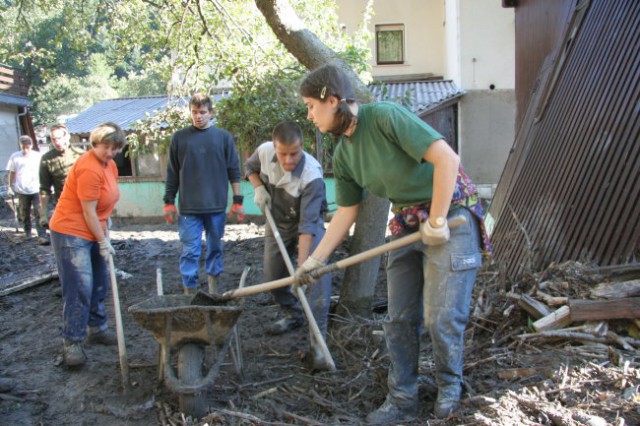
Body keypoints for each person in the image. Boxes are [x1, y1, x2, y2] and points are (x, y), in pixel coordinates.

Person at [295, 64, 491, 422]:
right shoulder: (343, 153)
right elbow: (347, 211)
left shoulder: (385, 117)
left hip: (452, 214)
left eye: (310, 105)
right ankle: (402, 397)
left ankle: (450, 388)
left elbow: (447, 159)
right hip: (407, 223)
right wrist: (315, 260)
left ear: (333, 99)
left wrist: (436, 221)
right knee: (399, 317)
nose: (308, 115)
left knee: (441, 317)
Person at [245, 120, 332, 369]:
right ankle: (293, 313)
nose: (288, 160)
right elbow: (249, 167)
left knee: (317, 275)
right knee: (273, 276)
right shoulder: (264, 152)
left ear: (302, 147)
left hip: (309, 224)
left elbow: (307, 227)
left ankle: (318, 341)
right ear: (275, 147)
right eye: (283, 154)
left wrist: (303, 267)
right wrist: (259, 187)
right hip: (278, 223)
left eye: (294, 154)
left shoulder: (311, 176)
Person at [49, 122, 125, 367]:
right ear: (94, 143)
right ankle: (72, 341)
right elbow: (87, 211)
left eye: (114, 148)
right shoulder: (88, 167)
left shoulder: (110, 165)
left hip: (94, 228)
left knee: (100, 281)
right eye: (106, 147)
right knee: (80, 286)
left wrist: (106, 224)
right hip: (71, 231)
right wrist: (102, 241)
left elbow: (105, 201)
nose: (110, 152)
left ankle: (98, 328)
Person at [163, 93, 244, 295]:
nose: (198, 116)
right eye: (194, 112)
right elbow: (172, 172)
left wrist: (238, 201)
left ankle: (213, 290)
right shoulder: (180, 138)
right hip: (189, 208)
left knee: (215, 248)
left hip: (216, 207)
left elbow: (234, 170)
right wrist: (168, 202)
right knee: (191, 251)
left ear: (211, 113)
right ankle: (189, 294)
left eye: (202, 112)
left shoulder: (223, 138)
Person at [38, 123, 84, 244]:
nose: (57, 142)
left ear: (67, 136)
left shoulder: (81, 155)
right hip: (64, 209)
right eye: (54, 139)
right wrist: (43, 214)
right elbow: (44, 189)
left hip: (85, 206)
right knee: (69, 243)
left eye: (59, 138)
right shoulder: (47, 159)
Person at [6, 135, 46, 242]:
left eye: (27, 147)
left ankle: (41, 234)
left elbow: (44, 172)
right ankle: (28, 232)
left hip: (36, 188)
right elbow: (12, 173)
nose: (25, 150)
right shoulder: (15, 157)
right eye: (23, 147)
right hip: (22, 190)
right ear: (20, 145)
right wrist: (9, 186)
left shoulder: (38, 156)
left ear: (31, 145)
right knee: (25, 212)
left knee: (39, 211)